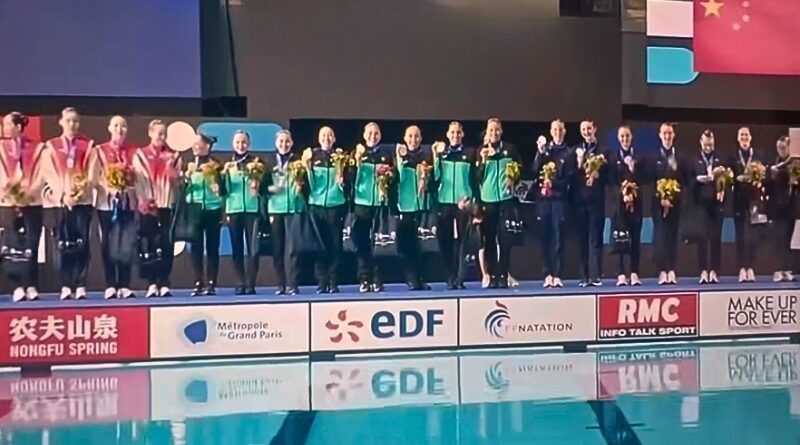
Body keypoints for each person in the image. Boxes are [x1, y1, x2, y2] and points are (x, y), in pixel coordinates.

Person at [44, 107, 96, 300]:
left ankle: (81, 283)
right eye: (68, 121)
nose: (72, 125)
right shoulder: (51, 146)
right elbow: (47, 174)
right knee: (62, 243)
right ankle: (66, 284)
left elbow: (93, 173)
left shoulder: (88, 145)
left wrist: (80, 192)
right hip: (60, 203)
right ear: (60, 122)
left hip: (83, 202)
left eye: (75, 121)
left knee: (82, 243)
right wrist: (63, 195)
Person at [0, 112, 51, 302]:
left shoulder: (38, 149)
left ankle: (31, 285)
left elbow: (43, 174)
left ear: (18, 127)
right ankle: (16, 286)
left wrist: (29, 192)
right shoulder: (1, 147)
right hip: (7, 203)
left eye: (7, 124)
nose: (4, 128)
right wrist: (9, 191)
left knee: (31, 245)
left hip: (32, 202)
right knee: (13, 247)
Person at [133, 119, 182, 297]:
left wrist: (175, 176)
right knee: (149, 244)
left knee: (166, 244)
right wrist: (142, 200)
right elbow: (138, 181)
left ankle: (164, 282)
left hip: (166, 205)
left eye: (164, 133)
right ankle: (151, 283)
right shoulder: (140, 154)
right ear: (150, 133)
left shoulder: (174, 156)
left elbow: (178, 184)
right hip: (148, 206)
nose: (161, 136)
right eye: (158, 133)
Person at [94, 116, 138, 299]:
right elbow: (95, 176)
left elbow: (140, 178)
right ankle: (111, 284)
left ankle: (125, 284)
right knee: (108, 244)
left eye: (123, 126)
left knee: (126, 244)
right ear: (109, 128)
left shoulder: (134, 151)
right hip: (106, 205)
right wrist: (110, 188)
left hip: (128, 204)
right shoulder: (99, 151)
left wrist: (127, 188)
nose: (120, 129)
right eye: (116, 125)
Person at [478, 118, 521, 289]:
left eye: (496, 130)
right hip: (488, 200)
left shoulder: (510, 149)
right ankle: (492, 275)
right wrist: (482, 161)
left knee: (505, 239)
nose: (493, 133)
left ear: (501, 131)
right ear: (486, 132)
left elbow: (519, 168)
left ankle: (503, 274)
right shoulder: (481, 151)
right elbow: (476, 177)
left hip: (505, 199)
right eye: (490, 130)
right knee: (488, 240)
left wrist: (513, 178)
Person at [304, 127, 348, 294]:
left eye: (330, 135)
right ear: (318, 138)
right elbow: (310, 185)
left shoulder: (341, 157)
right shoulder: (312, 156)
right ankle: (322, 282)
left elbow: (348, 183)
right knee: (319, 245)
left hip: (336, 206)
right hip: (316, 206)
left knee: (336, 245)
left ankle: (334, 281)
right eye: (323, 135)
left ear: (334, 138)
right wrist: (308, 167)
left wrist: (343, 181)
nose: (326, 138)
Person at [432, 122, 476, 290]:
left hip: (462, 204)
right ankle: (450, 277)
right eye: (452, 132)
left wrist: (470, 198)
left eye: (458, 132)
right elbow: (435, 177)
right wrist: (436, 156)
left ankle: (460, 278)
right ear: (447, 134)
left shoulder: (469, 153)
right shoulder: (442, 154)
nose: (455, 135)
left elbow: (474, 178)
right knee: (445, 241)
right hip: (444, 202)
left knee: (463, 242)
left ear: (462, 134)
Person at [532, 119, 575, 288]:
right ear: (551, 132)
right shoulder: (545, 150)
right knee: (544, 238)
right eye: (555, 130)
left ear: (564, 132)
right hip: (543, 201)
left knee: (558, 238)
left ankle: (558, 274)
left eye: (560, 130)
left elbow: (569, 178)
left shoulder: (569, 152)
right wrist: (539, 153)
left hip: (559, 201)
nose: (557, 132)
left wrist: (554, 184)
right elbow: (535, 170)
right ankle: (546, 274)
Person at [352, 122, 393, 293]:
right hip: (362, 204)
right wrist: (356, 162)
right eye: (370, 133)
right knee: (361, 243)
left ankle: (378, 279)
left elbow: (393, 178)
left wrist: (389, 174)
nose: (373, 136)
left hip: (380, 204)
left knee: (380, 243)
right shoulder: (358, 154)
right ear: (364, 135)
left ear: (380, 136)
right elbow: (348, 179)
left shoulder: (386, 154)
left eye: (376, 133)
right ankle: (364, 279)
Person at [223, 131, 265, 295]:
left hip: (252, 210)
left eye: (244, 142)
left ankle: (251, 283)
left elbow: (268, 185)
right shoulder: (228, 165)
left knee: (253, 249)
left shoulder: (257, 163)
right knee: (237, 249)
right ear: (233, 144)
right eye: (238, 142)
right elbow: (224, 190)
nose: (241, 145)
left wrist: (258, 186)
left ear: (249, 143)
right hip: (234, 210)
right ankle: (240, 282)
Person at [265, 130, 306, 295]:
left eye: (287, 141)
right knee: (278, 249)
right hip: (275, 208)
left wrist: (301, 185)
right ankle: (281, 284)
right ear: (276, 143)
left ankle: (293, 284)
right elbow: (262, 187)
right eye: (281, 141)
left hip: (294, 207)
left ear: (292, 143)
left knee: (293, 249)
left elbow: (306, 181)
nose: (284, 144)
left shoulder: (298, 160)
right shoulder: (268, 162)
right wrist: (271, 189)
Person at [184, 133, 225, 296]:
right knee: (196, 248)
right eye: (193, 144)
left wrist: (218, 187)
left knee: (212, 247)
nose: (194, 147)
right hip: (194, 209)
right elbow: (183, 189)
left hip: (213, 209)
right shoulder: (190, 165)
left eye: (198, 144)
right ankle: (198, 281)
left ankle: (211, 282)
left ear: (207, 147)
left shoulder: (217, 166)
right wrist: (185, 181)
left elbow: (224, 189)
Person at [395, 125, 433, 290]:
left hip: (422, 206)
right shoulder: (398, 156)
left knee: (422, 246)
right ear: (405, 138)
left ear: (421, 139)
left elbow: (435, 179)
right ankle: (411, 279)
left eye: (416, 136)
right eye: (410, 136)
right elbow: (396, 179)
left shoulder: (426, 157)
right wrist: (399, 160)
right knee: (407, 245)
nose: (413, 139)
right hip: (405, 207)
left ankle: (420, 278)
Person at [570, 120, 608, 286]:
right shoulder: (575, 150)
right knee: (582, 239)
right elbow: (570, 174)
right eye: (584, 129)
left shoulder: (604, 150)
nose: (587, 132)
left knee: (596, 238)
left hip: (597, 200)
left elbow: (611, 175)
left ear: (595, 129)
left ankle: (596, 275)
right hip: (580, 201)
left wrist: (599, 176)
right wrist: (578, 163)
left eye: (589, 129)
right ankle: (584, 276)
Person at [649, 122, 686, 285]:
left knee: (672, 235)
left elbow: (686, 180)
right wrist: (661, 197)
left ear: (674, 135)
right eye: (664, 133)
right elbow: (650, 181)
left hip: (675, 203)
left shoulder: (680, 157)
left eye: (670, 133)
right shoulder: (653, 157)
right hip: (658, 204)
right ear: (659, 135)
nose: (667, 136)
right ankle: (661, 270)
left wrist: (673, 194)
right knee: (660, 236)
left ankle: (671, 269)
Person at [690, 130, 725, 284]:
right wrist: (698, 180)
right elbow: (689, 184)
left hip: (717, 204)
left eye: (710, 143)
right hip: (701, 204)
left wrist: (722, 182)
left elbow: (727, 179)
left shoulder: (721, 158)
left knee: (716, 238)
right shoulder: (694, 160)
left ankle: (715, 271)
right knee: (702, 238)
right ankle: (703, 271)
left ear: (714, 142)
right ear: (701, 142)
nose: (708, 146)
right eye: (705, 143)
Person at [610, 125, 643, 286]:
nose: (625, 139)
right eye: (622, 136)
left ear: (631, 137)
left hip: (636, 204)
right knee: (620, 237)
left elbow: (645, 178)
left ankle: (635, 272)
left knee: (635, 238)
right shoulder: (613, 157)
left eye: (627, 136)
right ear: (618, 138)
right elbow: (610, 181)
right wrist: (622, 192)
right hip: (619, 204)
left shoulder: (639, 156)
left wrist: (633, 172)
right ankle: (621, 273)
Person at [729, 126, 761, 282]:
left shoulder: (758, 155)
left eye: (746, 135)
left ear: (751, 137)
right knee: (740, 234)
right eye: (741, 135)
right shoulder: (733, 156)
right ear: (737, 138)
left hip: (754, 200)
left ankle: (751, 267)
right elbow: (727, 177)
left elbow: (764, 175)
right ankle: (741, 268)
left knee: (753, 236)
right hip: (738, 200)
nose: (744, 138)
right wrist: (736, 179)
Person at [766, 135, 795, 282]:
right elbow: (767, 185)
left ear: (789, 147)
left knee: (787, 239)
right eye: (779, 148)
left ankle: (787, 269)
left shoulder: (795, 164)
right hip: (776, 207)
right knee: (778, 239)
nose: (781, 151)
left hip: (790, 207)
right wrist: (771, 176)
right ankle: (777, 270)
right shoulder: (773, 164)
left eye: (783, 148)